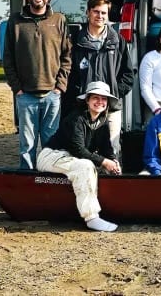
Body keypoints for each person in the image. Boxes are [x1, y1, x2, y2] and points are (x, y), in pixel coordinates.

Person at [3, 0, 72, 169]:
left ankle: (50, 177)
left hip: (52, 95)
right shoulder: (15, 22)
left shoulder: (59, 20)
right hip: (26, 96)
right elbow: (8, 59)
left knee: (51, 145)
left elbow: (67, 56)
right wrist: (17, 88)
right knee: (27, 145)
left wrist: (60, 86)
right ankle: (27, 182)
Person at [37, 81, 121, 232]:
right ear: (87, 100)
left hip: (71, 158)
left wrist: (113, 160)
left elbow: (106, 148)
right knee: (85, 166)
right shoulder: (76, 119)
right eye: (95, 97)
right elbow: (78, 150)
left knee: (101, 168)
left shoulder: (102, 122)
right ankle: (91, 217)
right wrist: (104, 161)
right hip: (52, 156)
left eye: (104, 99)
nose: (100, 102)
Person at [62, 0, 134, 163]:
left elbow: (129, 74)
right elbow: (69, 73)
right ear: (88, 12)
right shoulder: (76, 42)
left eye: (103, 13)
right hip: (83, 108)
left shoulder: (117, 41)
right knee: (83, 150)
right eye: (96, 12)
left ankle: (113, 183)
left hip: (110, 107)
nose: (100, 16)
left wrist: (114, 92)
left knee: (112, 148)